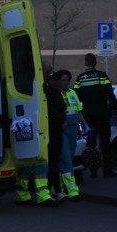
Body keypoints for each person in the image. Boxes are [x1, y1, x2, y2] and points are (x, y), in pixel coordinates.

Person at [73, 53, 117, 177]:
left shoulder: (80, 78)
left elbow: (75, 95)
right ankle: (107, 171)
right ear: (95, 62)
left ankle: (93, 171)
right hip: (103, 113)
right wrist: (115, 108)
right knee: (105, 143)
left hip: (88, 114)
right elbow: (110, 93)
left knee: (91, 142)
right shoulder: (102, 76)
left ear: (85, 63)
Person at [55, 69, 82, 202]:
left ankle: (61, 187)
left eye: (67, 80)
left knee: (69, 158)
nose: (65, 83)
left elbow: (79, 111)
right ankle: (71, 189)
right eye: (63, 80)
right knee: (65, 158)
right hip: (62, 129)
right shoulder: (56, 94)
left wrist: (85, 126)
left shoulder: (73, 93)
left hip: (73, 129)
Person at [43, 67, 66, 199]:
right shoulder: (48, 92)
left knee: (55, 160)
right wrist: (61, 120)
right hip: (53, 128)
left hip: (57, 128)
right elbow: (52, 110)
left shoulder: (54, 91)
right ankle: (54, 189)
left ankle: (55, 188)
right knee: (52, 160)